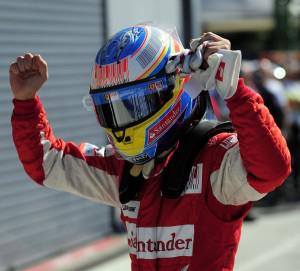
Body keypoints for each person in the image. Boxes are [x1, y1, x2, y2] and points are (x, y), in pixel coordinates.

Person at [9, 25, 291, 271]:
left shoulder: (215, 158)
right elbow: (47, 164)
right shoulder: (124, 169)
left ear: (174, 87)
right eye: (114, 108)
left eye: (134, 103)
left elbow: (272, 169)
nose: (123, 120)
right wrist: (25, 102)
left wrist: (235, 92)